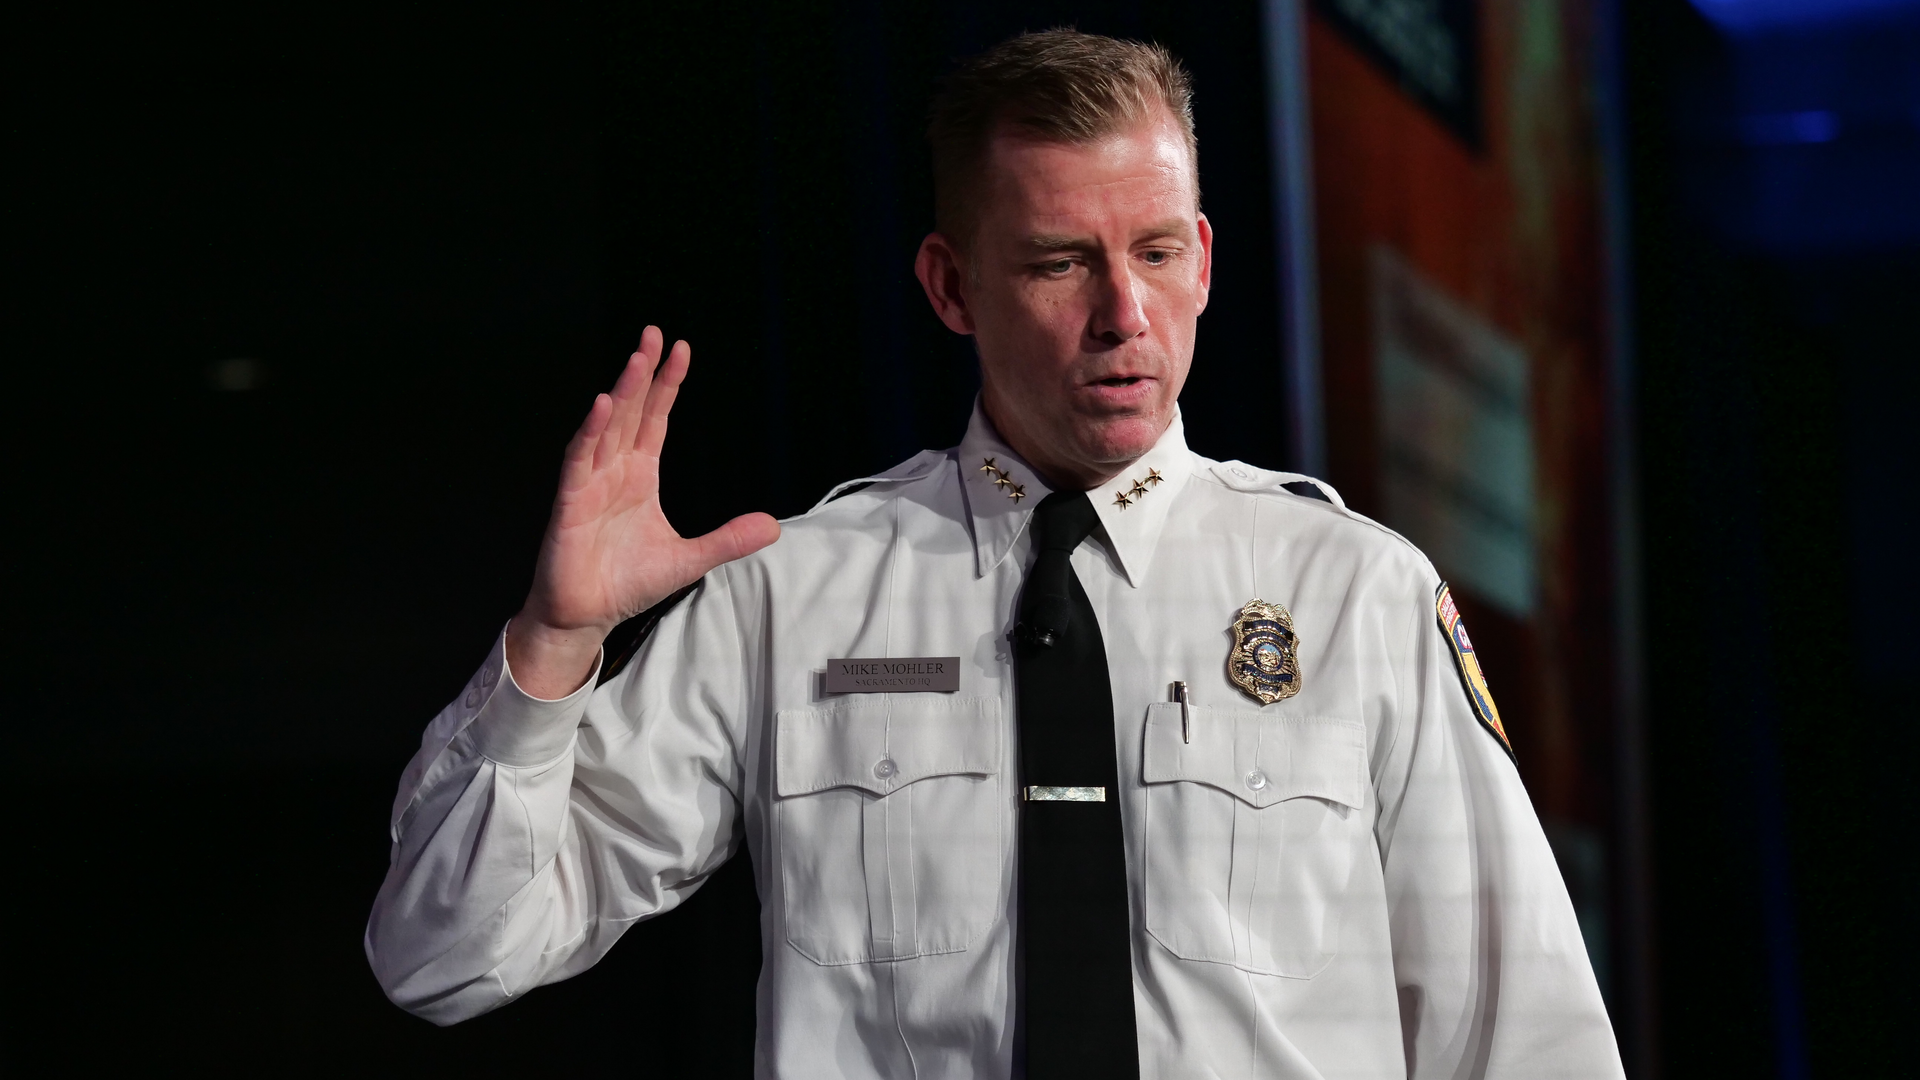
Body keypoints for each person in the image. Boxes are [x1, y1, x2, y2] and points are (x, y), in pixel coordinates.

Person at [366, 30, 1624, 1079]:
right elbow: (446, 958)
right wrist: (554, 649)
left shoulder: (1357, 593)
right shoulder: (790, 596)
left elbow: (1529, 1041)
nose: (1122, 315)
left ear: (1206, 262)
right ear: (951, 287)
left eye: (1157, 253)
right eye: (1060, 262)